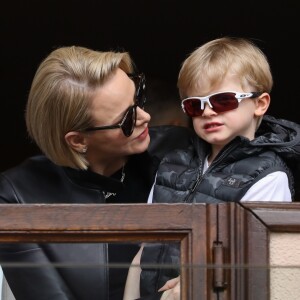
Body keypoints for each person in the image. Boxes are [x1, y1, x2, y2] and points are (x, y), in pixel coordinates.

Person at [0, 45, 194, 300]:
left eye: (138, 98)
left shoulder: (182, 151)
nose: (146, 117)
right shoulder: (16, 196)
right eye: (127, 120)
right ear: (78, 141)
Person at [124, 37, 300, 299]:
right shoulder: (171, 165)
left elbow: (254, 262)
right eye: (195, 104)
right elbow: (144, 250)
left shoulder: (269, 176)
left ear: (260, 103)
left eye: (223, 100)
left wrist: (195, 282)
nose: (207, 112)